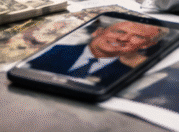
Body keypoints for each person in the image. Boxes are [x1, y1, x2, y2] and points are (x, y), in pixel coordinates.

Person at [23, 17, 166, 85]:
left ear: (145, 45)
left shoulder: (127, 75)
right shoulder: (53, 50)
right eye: (119, 31)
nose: (123, 38)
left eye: (138, 37)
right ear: (98, 32)